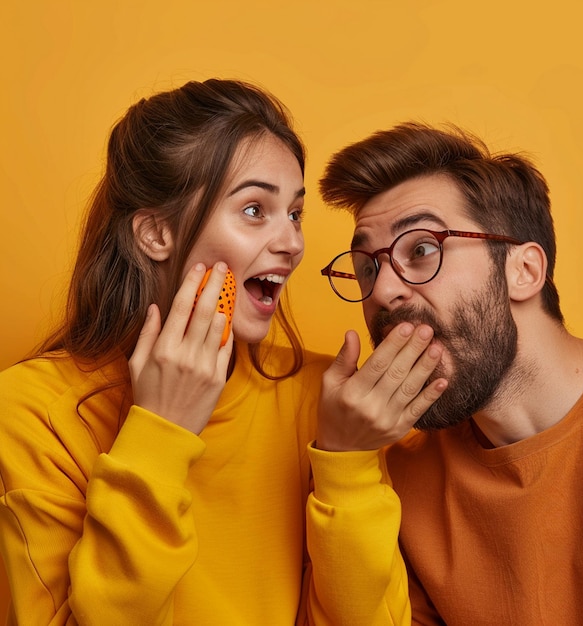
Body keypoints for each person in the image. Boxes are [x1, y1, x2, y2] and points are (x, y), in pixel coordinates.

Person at [0, 80, 443, 626]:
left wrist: (347, 465)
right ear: (156, 233)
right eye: (256, 210)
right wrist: (160, 432)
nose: (293, 243)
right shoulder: (33, 410)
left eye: (295, 214)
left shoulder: (328, 404)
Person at [307, 122, 583, 624]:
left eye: (422, 249)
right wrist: (345, 465)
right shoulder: (400, 484)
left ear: (523, 271)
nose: (384, 291)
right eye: (367, 267)